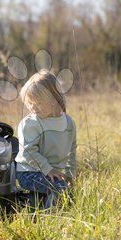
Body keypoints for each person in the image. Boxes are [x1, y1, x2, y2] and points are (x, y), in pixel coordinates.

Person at [15, 69, 77, 210]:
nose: (32, 107)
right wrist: (48, 170)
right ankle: (52, 221)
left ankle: (50, 213)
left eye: (38, 103)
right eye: (30, 102)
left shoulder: (68, 122)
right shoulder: (31, 123)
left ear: (54, 99)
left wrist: (70, 174)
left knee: (70, 194)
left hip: (51, 172)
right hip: (29, 172)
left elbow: (72, 149)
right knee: (59, 189)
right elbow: (28, 152)